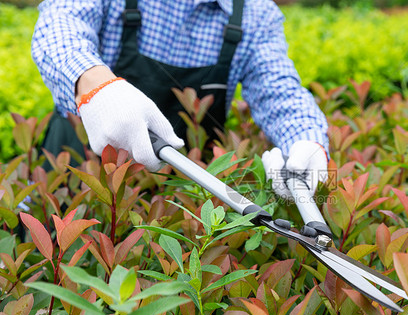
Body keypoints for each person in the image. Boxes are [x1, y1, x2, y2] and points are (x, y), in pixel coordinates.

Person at [31, 0, 329, 199]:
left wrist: (308, 142)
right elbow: (59, 29)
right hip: (75, 178)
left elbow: (279, 91)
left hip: (179, 196)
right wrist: (98, 88)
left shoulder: (256, 14)